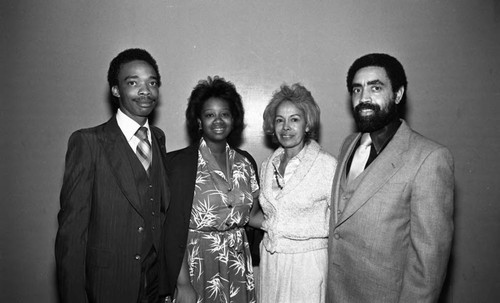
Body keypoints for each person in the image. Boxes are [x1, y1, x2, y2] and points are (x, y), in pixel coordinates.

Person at [326, 53, 454, 302]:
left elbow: (427, 268)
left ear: (398, 94)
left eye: (375, 88)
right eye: (357, 89)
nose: (364, 98)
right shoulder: (348, 145)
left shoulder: (430, 158)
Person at [55, 48, 175, 303]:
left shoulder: (159, 138)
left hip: (154, 286)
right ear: (116, 90)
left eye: (152, 83)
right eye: (133, 83)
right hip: (107, 286)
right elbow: (71, 234)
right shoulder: (89, 142)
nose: (146, 91)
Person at [160, 76, 259, 303]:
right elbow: (172, 229)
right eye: (209, 114)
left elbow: (251, 216)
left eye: (224, 114)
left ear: (234, 119)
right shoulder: (178, 165)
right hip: (196, 264)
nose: (218, 120)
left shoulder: (246, 163)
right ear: (198, 120)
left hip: (237, 266)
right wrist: (182, 283)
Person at [252, 83, 337, 303]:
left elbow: (340, 223)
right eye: (280, 120)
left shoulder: (327, 165)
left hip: (307, 264)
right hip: (271, 261)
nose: (286, 127)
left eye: (294, 119)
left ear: (307, 124)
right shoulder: (267, 165)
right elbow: (269, 217)